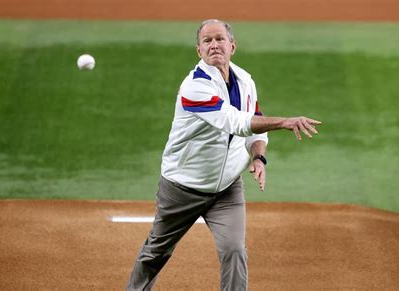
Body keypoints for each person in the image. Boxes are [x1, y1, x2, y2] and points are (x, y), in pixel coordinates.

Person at [126, 19, 321, 291]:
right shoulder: (194, 88)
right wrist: (285, 122)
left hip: (227, 189)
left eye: (219, 39)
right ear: (199, 51)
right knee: (155, 253)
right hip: (183, 187)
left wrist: (258, 157)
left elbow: (256, 126)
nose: (214, 45)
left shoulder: (245, 81)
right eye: (207, 41)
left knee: (234, 251)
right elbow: (237, 122)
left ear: (232, 46)